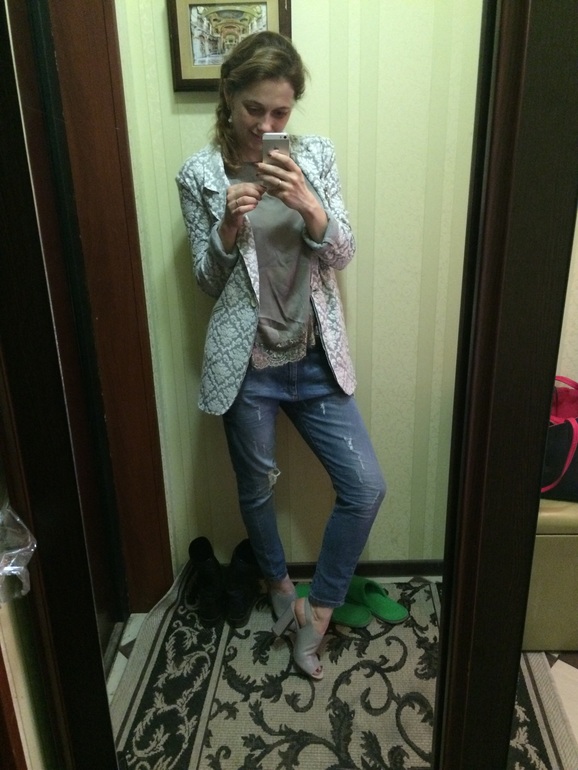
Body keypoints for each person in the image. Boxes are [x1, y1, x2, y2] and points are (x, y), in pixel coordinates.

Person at [176, 31, 404, 680]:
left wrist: (308, 203)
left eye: (280, 111)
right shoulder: (200, 174)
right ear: (229, 96)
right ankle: (279, 590)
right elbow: (206, 280)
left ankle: (320, 611)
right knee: (256, 489)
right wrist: (227, 228)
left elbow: (343, 251)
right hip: (248, 366)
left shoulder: (316, 156)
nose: (266, 125)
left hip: (315, 358)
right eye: (254, 109)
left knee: (364, 487)